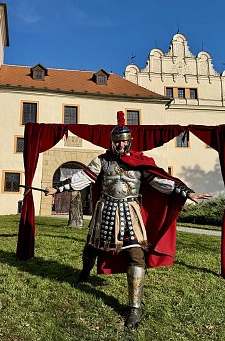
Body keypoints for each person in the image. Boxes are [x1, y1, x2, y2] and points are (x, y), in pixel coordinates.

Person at [45, 111, 211, 330]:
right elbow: (83, 178)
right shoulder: (102, 161)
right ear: (112, 143)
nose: (121, 146)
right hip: (105, 209)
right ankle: (84, 273)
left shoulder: (140, 163)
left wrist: (185, 192)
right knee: (92, 247)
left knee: (135, 254)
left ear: (129, 142)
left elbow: (161, 182)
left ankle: (134, 307)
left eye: (124, 142)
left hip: (130, 212)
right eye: (117, 142)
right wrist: (58, 188)